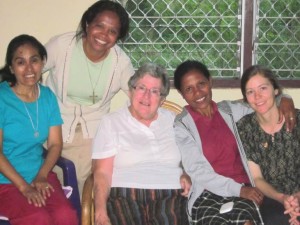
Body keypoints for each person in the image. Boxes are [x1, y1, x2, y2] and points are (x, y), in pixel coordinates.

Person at [173, 60, 296, 225]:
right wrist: (239, 190)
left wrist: (284, 99)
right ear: (181, 94)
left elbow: (260, 101)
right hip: (209, 193)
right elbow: (197, 170)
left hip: (247, 189)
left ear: (210, 82)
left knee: (247, 221)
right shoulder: (182, 124)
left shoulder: (230, 110)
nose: (197, 92)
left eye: (201, 84)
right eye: (188, 89)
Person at [42, 0, 134, 196]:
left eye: (112, 31)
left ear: (118, 37)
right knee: (46, 179)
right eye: (99, 25)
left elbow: (138, 94)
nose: (103, 35)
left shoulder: (121, 62)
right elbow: (31, 68)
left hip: (90, 132)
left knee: (81, 181)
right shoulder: (63, 46)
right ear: (87, 24)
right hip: (51, 124)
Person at [92, 63, 190, 225]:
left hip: (170, 193)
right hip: (124, 195)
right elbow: (102, 173)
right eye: (141, 88)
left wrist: (187, 173)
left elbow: (191, 155)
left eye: (154, 91)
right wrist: (100, 211)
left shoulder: (174, 121)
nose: (146, 96)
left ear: (162, 99)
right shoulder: (111, 122)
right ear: (131, 91)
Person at [0, 35, 78, 225]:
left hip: (38, 173)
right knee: (37, 218)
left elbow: (55, 144)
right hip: (6, 180)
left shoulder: (47, 97)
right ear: (11, 68)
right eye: (20, 62)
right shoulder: (2, 98)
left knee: (66, 215)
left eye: (34, 60)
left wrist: (42, 175)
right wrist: (24, 187)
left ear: (42, 62)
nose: (29, 68)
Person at [237, 65, 300, 225]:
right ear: (245, 97)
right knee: (276, 220)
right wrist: (283, 198)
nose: (257, 96)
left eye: (263, 88)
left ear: (276, 90)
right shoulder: (244, 128)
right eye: (250, 92)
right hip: (271, 195)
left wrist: (297, 198)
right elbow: (257, 178)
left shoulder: (297, 120)